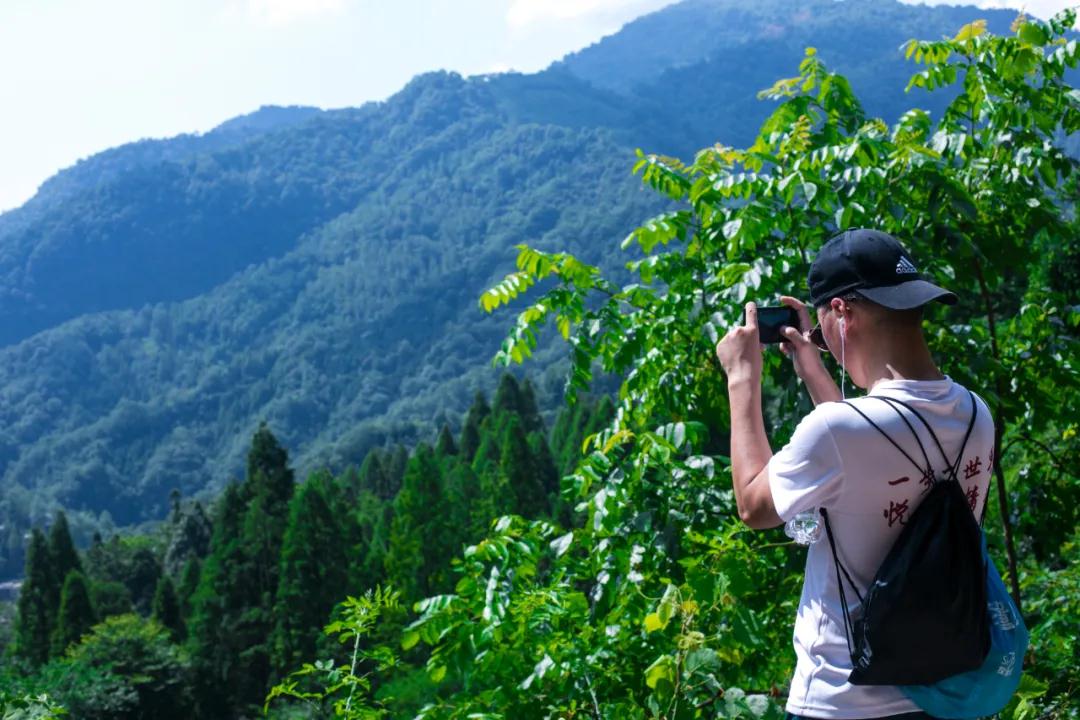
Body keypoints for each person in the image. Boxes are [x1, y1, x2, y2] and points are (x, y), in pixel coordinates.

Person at [714, 229, 995, 720]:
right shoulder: (976, 415)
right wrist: (812, 369)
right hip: (942, 693)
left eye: (823, 332)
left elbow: (754, 507)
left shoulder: (838, 434)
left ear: (843, 313)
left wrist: (743, 378)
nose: (822, 343)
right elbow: (864, 455)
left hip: (841, 699)